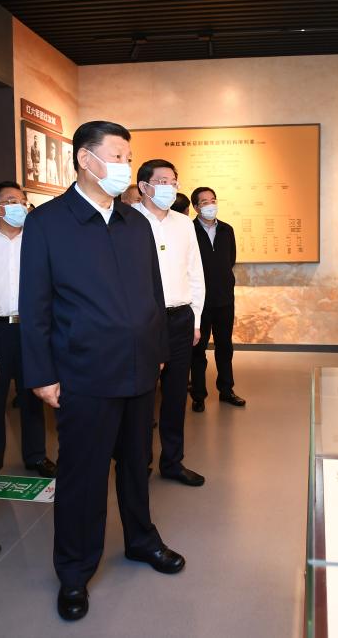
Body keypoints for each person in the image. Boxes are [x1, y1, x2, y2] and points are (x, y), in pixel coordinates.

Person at [20, 120, 184, 622]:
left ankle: (141, 539)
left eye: (128, 158)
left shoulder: (136, 222)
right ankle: (74, 570)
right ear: (85, 159)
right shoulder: (49, 222)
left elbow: (154, 292)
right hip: (84, 374)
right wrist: (41, 374)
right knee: (83, 477)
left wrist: (158, 349)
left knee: (137, 464)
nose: (125, 167)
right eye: (117, 156)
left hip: (139, 368)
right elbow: (35, 305)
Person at [0, 181, 55, 496]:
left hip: (32, 328)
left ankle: (36, 456)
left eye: (22, 200)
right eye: (11, 200)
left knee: (34, 393)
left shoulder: (37, 238)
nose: (19, 205)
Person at [133, 160, 206, 487]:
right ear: (144, 186)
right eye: (162, 181)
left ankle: (173, 461)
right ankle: (139, 462)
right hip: (143, 321)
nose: (169, 187)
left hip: (180, 318)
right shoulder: (128, 220)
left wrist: (196, 319)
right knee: (142, 396)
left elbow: (195, 273)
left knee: (176, 396)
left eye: (173, 181)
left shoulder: (184, 224)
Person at [189, 187, 246, 411]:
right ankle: (198, 395)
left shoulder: (226, 230)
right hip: (199, 302)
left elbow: (230, 259)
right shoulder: (189, 230)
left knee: (225, 347)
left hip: (224, 299)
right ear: (196, 207)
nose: (210, 205)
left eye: (212, 200)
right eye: (204, 202)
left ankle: (226, 390)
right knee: (198, 350)